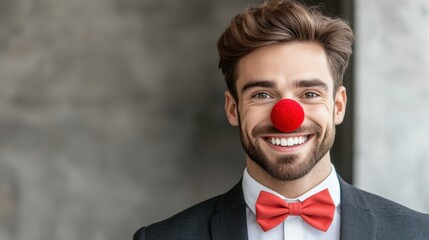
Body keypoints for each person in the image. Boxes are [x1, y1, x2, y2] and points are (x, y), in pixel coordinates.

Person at [134, 0, 429, 239]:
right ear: (233, 109)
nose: (287, 116)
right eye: (262, 95)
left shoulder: (418, 233)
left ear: (338, 106)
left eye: (310, 93)